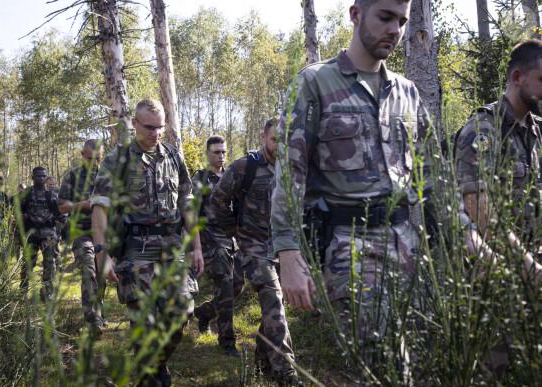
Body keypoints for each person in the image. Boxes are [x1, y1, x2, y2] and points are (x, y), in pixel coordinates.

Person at [269, 0, 490, 378]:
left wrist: (465, 232)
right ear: (355, 15)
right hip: (348, 249)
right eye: (385, 17)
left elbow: (432, 175)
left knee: (420, 362)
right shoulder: (315, 83)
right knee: (384, 366)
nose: (395, 30)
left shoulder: (406, 92)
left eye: (402, 22)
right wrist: (288, 254)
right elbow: (289, 175)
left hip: (409, 246)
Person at [91, 98, 204, 387]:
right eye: (150, 127)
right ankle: (148, 375)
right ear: (135, 124)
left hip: (173, 246)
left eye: (161, 127)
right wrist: (102, 253)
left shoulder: (174, 156)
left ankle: (157, 365)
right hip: (135, 250)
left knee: (182, 313)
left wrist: (197, 246)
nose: (156, 133)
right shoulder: (117, 160)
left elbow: (188, 203)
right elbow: (100, 207)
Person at [455, 39, 542, 377]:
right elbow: (480, 211)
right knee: (490, 372)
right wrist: (527, 266)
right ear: (518, 77)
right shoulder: (484, 130)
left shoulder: (535, 131)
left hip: (531, 267)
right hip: (494, 276)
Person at [210, 117, 301, 385]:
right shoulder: (244, 166)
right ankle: (286, 373)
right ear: (263, 137)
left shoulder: (293, 168)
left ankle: (262, 363)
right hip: (254, 248)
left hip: (284, 249)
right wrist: (233, 232)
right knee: (274, 302)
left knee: (277, 306)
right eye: (275, 140)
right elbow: (218, 198)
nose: (280, 146)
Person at [192, 135, 245, 356]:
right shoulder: (200, 179)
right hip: (210, 239)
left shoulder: (232, 176)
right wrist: (196, 248)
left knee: (237, 286)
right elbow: (191, 216)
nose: (221, 156)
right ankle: (227, 342)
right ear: (207, 153)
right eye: (216, 152)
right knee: (225, 284)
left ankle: (204, 312)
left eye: (224, 152)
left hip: (232, 238)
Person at [58, 139, 106, 334]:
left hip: (104, 232)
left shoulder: (106, 176)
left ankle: (99, 311)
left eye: (99, 159)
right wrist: (82, 205)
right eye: (90, 159)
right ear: (82, 154)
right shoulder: (72, 177)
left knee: (102, 273)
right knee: (88, 268)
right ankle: (93, 318)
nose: (95, 163)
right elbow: (61, 206)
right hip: (81, 231)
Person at [19, 167, 61, 302]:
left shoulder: (52, 194)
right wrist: (21, 216)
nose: (41, 179)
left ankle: (47, 293)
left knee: (49, 264)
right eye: (38, 176)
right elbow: (16, 208)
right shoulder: (26, 193)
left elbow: (59, 213)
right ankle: (23, 289)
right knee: (28, 264)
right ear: (32, 177)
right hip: (31, 234)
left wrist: (67, 224)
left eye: (44, 176)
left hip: (48, 235)